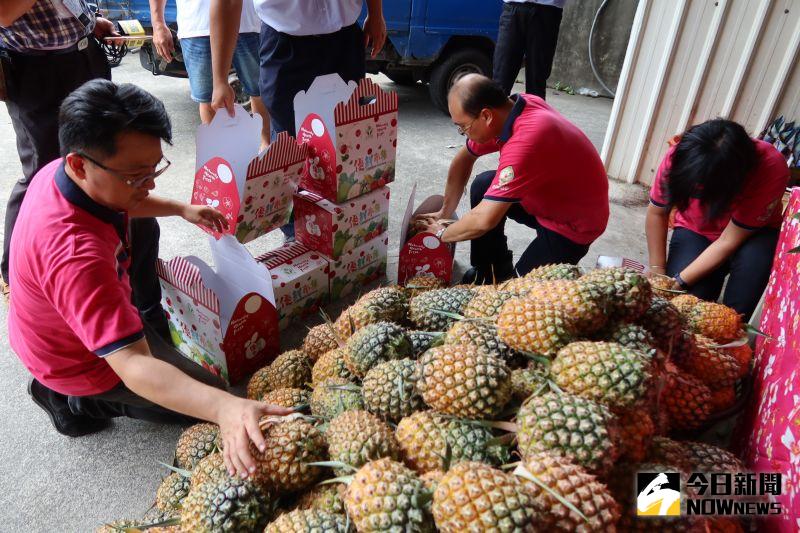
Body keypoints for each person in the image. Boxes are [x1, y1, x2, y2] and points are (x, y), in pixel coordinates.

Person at [8, 79, 290, 478]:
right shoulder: (77, 256)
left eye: (154, 168)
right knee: (210, 402)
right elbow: (133, 363)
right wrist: (224, 407)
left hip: (51, 323)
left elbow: (126, 200)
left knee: (199, 387)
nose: (150, 184)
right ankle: (73, 399)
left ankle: (66, 380)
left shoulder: (61, 173)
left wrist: (179, 208)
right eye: (137, 177)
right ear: (79, 163)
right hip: (75, 358)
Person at [209, 0, 387, 241]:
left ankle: (342, 226)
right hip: (286, 45)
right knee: (290, 146)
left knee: (346, 138)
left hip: (345, 41)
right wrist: (219, 78)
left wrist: (376, 14)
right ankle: (298, 234)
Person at [416, 74, 609, 284]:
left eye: (463, 127)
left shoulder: (528, 139)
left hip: (572, 223)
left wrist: (441, 233)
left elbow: (483, 220)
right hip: (547, 197)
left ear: (486, 116)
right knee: (483, 185)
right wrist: (445, 211)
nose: (463, 133)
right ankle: (490, 270)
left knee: (515, 292)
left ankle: (512, 277)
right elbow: (463, 159)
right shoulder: (511, 110)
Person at [0, 0, 120, 298]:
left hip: (84, 55)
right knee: (42, 173)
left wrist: (89, 22)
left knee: (97, 159)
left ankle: (91, 253)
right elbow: (4, 14)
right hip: (33, 67)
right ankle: (13, 270)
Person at [646, 119, 789, 319]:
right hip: (696, 228)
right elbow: (656, 212)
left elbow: (728, 241)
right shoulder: (681, 155)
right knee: (686, 306)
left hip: (754, 234)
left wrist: (678, 281)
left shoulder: (770, 166)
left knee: (738, 310)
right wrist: (658, 272)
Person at [149, 0, 271, 147]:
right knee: (208, 99)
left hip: (247, 22)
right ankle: (219, 159)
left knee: (260, 91)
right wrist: (158, 23)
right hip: (197, 25)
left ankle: (267, 150)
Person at [492, 0, 565, 98]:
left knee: (536, 82)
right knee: (500, 80)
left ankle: (534, 111)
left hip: (547, 10)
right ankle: (495, 112)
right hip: (513, 7)